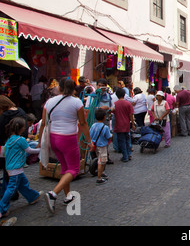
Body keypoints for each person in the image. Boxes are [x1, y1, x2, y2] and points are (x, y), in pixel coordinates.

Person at [38, 77, 92, 214]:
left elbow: (43, 123)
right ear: (73, 88)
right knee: (74, 169)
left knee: (65, 167)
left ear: (60, 88)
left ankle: (68, 196)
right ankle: (53, 193)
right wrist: (89, 141)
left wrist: (40, 141)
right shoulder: (76, 102)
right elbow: (83, 123)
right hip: (68, 138)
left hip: (53, 138)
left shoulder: (50, 102)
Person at [0, 117, 42, 219]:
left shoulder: (9, 139)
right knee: (11, 189)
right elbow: (29, 151)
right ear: (21, 128)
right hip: (16, 168)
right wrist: (42, 149)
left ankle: (33, 196)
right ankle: (1, 208)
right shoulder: (21, 140)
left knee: (23, 183)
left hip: (10, 167)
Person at [0, 95, 27, 199]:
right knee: (15, 170)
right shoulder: (21, 112)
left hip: (7, 147)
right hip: (20, 146)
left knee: (8, 169)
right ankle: (18, 192)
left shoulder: (5, 116)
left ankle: (8, 195)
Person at [89, 108, 112, 184]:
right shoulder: (105, 127)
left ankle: (101, 173)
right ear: (104, 117)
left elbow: (90, 136)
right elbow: (108, 137)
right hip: (102, 146)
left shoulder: (93, 125)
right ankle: (99, 178)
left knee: (99, 159)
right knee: (101, 161)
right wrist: (111, 136)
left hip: (95, 145)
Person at [112, 88, 135, 162]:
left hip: (119, 125)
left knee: (121, 141)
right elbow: (131, 115)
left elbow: (112, 112)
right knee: (128, 140)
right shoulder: (128, 103)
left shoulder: (115, 104)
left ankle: (125, 156)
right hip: (127, 124)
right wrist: (133, 124)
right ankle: (129, 154)